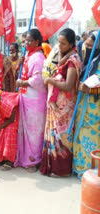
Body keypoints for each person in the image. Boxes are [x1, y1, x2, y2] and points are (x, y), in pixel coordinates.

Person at [40, 28, 82, 177]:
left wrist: (51, 80)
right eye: (58, 42)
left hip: (64, 107)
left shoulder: (72, 62)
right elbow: (57, 66)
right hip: (56, 104)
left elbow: (68, 86)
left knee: (61, 136)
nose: (59, 46)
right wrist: (63, 53)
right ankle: (51, 166)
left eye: (63, 44)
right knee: (53, 135)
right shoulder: (65, 56)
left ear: (71, 44)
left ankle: (61, 169)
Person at [14, 29, 47, 172]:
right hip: (26, 98)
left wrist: (24, 83)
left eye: (29, 41)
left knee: (35, 132)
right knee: (25, 131)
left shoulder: (39, 57)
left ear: (37, 42)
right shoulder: (28, 55)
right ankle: (25, 157)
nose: (26, 43)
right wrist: (18, 64)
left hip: (35, 100)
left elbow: (38, 80)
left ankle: (35, 160)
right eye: (25, 40)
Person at [72, 31, 100, 179]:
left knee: (92, 137)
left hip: (95, 109)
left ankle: (91, 170)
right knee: (81, 134)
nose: (87, 48)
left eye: (91, 46)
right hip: (83, 105)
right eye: (86, 45)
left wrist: (91, 89)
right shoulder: (88, 60)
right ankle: (79, 167)